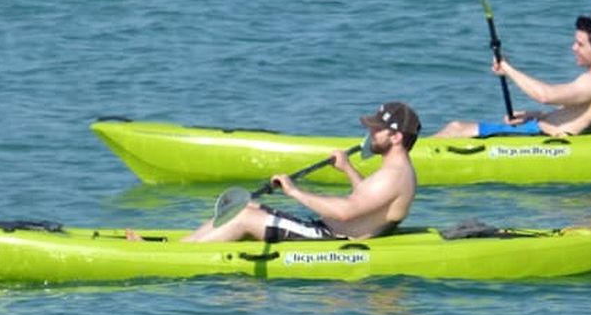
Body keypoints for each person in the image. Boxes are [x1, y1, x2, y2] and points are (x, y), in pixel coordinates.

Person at [180, 101, 420, 243]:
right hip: (324, 229)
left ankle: (180, 255)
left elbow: (346, 212)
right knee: (246, 207)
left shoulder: (394, 175)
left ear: (396, 137)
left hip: (330, 239)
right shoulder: (396, 170)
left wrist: (294, 191)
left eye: (378, 129)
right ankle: (184, 245)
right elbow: (368, 201)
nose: (371, 133)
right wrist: (348, 169)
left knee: (244, 217)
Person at [433, 11, 591, 138]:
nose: (573, 48)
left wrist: (507, 69)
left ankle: (408, 163)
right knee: (456, 127)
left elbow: (545, 95)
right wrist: (533, 115)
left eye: (580, 44)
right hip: (539, 131)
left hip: (545, 141)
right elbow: (575, 113)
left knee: (455, 129)